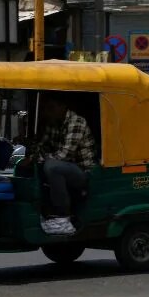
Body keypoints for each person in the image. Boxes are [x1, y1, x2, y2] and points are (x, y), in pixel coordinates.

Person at [25, 93, 96, 236]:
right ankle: (45, 212)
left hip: (83, 172)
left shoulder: (76, 122)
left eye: (52, 108)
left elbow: (64, 155)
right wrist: (32, 158)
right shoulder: (54, 122)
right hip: (66, 169)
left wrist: (40, 159)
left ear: (62, 107)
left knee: (52, 167)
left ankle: (63, 216)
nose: (47, 112)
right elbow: (41, 146)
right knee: (40, 166)